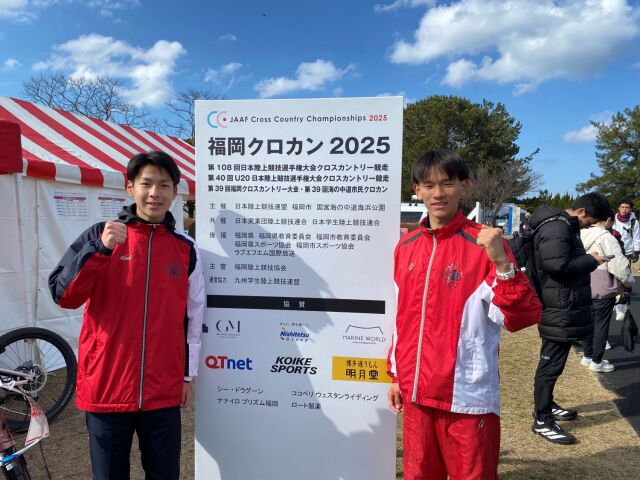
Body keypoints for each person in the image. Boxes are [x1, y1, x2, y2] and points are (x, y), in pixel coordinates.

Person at [49, 151, 205, 480]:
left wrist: (186, 376)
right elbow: (64, 296)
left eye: (164, 185)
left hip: (162, 389)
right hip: (106, 385)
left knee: (165, 474)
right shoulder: (101, 235)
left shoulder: (185, 248)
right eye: (146, 184)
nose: (155, 193)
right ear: (130, 187)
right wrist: (100, 250)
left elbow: (194, 314)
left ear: (175, 192)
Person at [386, 150, 542, 480]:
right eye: (429, 185)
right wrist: (397, 376)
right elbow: (401, 320)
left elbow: (521, 317)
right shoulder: (405, 247)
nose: (438, 193)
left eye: (447, 183)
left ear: (464, 186)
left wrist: (502, 262)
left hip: (466, 397)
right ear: (417, 190)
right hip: (417, 395)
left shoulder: (484, 245)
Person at [529, 193, 611, 445]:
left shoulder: (562, 225)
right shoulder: (557, 226)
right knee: (550, 364)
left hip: (562, 304)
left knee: (555, 361)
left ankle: (547, 405)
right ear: (581, 211)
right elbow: (557, 266)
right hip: (558, 306)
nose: (588, 226)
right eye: (590, 222)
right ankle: (542, 419)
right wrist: (591, 260)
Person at [580, 217, 634, 372]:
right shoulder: (606, 237)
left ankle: (587, 356)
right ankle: (596, 361)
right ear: (608, 220)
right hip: (602, 288)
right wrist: (629, 283)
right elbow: (619, 266)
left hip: (583, 285)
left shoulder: (580, 233)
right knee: (601, 325)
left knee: (588, 323)